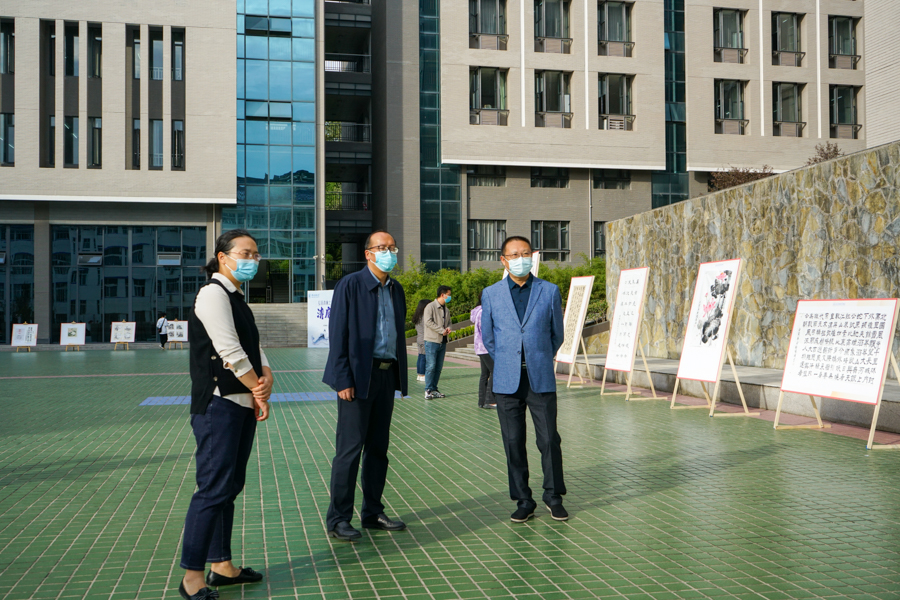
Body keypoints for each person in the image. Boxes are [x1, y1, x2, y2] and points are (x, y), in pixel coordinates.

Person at [179, 229, 273, 600]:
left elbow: (253, 347)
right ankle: (192, 578)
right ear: (223, 257)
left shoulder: (236, 297)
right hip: (219, 405)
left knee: (229, 487)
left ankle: (221, 566)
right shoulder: (212, 294)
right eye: (245, 253)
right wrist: (258, 388)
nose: (252, 260)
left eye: (256, 254)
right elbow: (230, 351)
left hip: (240, 403)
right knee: (212, 489)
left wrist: (266, 377)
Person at [323, 230, 408, 541]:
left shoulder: (396, 289)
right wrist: (343, 378)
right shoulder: (350, 285)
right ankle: (338, 519)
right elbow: (338, 335)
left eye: (392, 248)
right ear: (368, 254)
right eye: (382, 247)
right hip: (358, 378)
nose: (389, 253)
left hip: (385, 376)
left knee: (378, 449)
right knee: (349, 451)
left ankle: (372, 512)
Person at [481, 235, 568, 523]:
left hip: (539, 376)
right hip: (507, 380)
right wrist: (508, 360)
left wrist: (538, 356)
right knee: (513, 441)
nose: (521, 259)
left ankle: (553, 496)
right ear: (503, 260)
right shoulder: (491, 294)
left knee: (549, 439)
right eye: (514, 255)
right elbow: (489, 337)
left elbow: (557, 335)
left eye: (526, 253)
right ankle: (523, 499)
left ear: (532, 256)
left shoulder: (549, 291)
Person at [423, 286, 452, 399]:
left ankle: (434, 389)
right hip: (432, 341)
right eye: (448, 295)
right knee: (431, 366)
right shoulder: (430, 307)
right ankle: (428, 389)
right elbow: (428, 321)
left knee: (438, 367)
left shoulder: (446, 309)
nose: (449, 297)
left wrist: (448, 328)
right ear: (442, 295)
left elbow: (449, 322)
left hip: (442, 342)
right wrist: (441, 330)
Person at [471, 292, 496, 409]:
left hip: (481, 347)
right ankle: (489, 400)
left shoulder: (479, 311)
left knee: (485, 374)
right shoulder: (483, 312)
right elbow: (486, 330)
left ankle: (482, 401)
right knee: (494, 371)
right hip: (486, 347)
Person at [412, 299, 430, 383]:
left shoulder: (418, 316)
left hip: (419, 338)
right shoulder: (424, 317)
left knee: (420, 356)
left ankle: (419, 374)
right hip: (424, 339)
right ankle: (422, 374)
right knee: (423, 357)